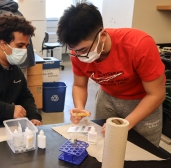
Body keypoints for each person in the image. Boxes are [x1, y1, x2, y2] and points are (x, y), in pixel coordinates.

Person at [56, 3, 165, 147]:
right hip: (107, 99)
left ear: (102, 35)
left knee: (144, 152)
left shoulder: (139, 45)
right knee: (105, 148)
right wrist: (80, 108)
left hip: (142, 102)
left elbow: (156, 94)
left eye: (84, 49)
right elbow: (79, 85)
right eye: (75, 50)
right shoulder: (77, 53)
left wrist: (127, 123)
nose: (79, 56)